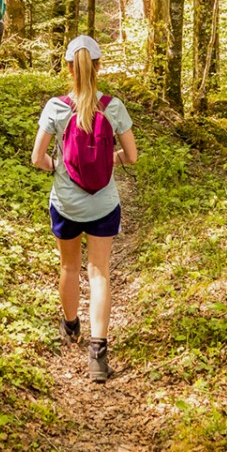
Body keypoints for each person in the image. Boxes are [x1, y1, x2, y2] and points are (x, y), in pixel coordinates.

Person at [31, 35, 138, 382]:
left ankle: (71, 326)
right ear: (98, 66)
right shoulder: (114, 107)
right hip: (104, 204)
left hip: (66, 203)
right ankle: (98, 354)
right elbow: (132, 157)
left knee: (69, 266)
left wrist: (59, 167)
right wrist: (110, 160)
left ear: (67, 67)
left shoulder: (56, 107)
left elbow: (37, 159)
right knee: (100, 272)